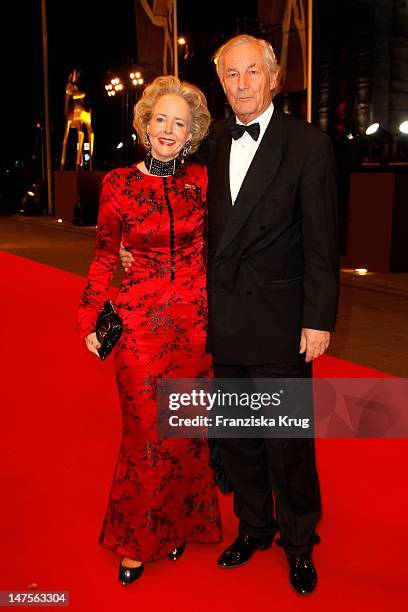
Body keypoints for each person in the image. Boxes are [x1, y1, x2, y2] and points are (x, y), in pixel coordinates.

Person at [120, 34, 339, 595]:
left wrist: (319, 319)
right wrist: (131, 242)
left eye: (251, 73)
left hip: (282, 318)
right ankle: (254, 527)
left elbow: (321, 242)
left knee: (287, 441)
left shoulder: (308, 144)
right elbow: (162, 184)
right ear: (222, 84)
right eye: (232, 75)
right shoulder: (211, 140)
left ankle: (298, 542)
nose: (242, 85)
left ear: (273, 78)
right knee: (239, 435)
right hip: (219, 316)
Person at [77, 75, 222, 586]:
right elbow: (102, 259)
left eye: (179, 122)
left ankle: (177, 524)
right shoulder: (117, 183)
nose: (168, 129)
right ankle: (136, 540)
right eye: (160, 118)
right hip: (139, 324)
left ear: (192, 132)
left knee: (183, 432)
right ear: (145, 123)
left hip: (196, 324)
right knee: (144, 432)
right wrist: (89, 315)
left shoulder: (204, 181)